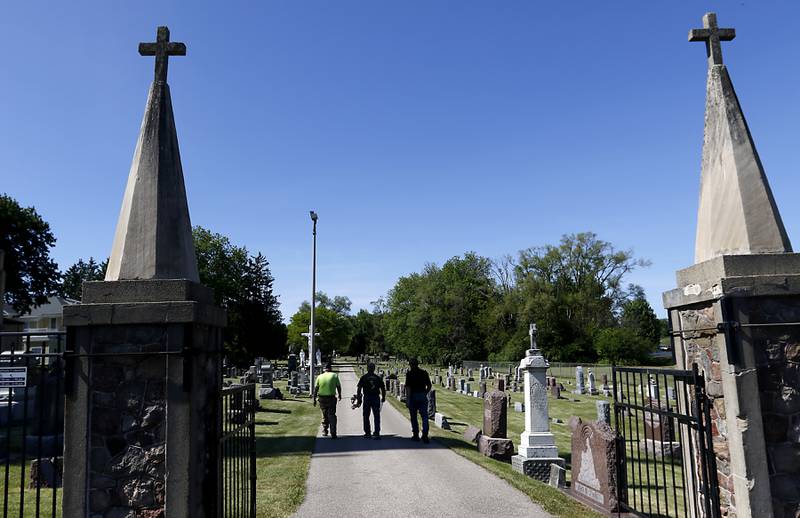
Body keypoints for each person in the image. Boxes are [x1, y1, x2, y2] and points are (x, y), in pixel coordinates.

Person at [405, 358, 432, 443]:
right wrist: (425, 393)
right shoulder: (424, 373)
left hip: (413, 396)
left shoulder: (409, 374)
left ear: (411, 365)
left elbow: (408, 387)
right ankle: (425, 435)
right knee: (424, 416)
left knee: (414, 416)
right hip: (422, 395)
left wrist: (408, 399)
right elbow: (429, 385)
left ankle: (416, 435)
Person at [356, 363, 386, 440]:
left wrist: (359, 398)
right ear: (374, 368)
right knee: (376, 415)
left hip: (367, 397)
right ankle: (376, 433)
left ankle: (367, 432)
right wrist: (383, 397)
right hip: (375, 397)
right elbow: (383, 388)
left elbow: (359, 388)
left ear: (367, 368)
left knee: (366, 415)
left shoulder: (364, 377)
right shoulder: (377, 378)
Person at [313, 363, 342, 438]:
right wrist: (339, 395)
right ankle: (333, 432)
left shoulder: (320, 376)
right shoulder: (334, 375)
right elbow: (338, 386)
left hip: (322, 398)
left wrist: (314, 399)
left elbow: (316, 388)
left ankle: (325, 430)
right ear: (330, 368)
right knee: (332, 415)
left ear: (324, 369)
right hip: (331, 398)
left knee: (324, 414)